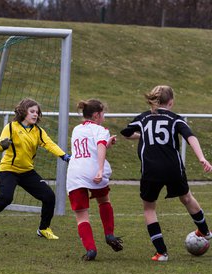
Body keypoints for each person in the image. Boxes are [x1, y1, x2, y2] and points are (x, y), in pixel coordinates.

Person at [120, 85, 212, 262]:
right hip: (172, 168)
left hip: (150, 170)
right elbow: (190, 136)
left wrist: (143, 135)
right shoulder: (175, 118)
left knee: (149, 208)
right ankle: (205, 231)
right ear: (171, 102)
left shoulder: (143, 117)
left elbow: (127, 133)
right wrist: (201, 158)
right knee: (186, 198)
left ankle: (161, 253)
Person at [0, 98, 70, 240]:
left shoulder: (38, 131)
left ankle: (43, 229)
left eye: (37, 112)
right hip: (9, 170)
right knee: (6, 198)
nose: (35, 114)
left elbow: (50, 144)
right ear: (23, 112)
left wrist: (64, 156)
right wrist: (4, 145)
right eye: (32, 111)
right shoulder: (11, 127)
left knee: (49, 196)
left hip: (27, 171)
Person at [66, 98, 123, 261]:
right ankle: (109, 234)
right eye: (103, 113)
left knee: (82, 215)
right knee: (104, 201)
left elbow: (91, 147)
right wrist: (99, 169)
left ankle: (91, 249)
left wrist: (107, 143)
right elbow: (99, 146)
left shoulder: (76, 129)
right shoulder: (101, 129)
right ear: (97, 115)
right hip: (92, 171)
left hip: (75, 174)